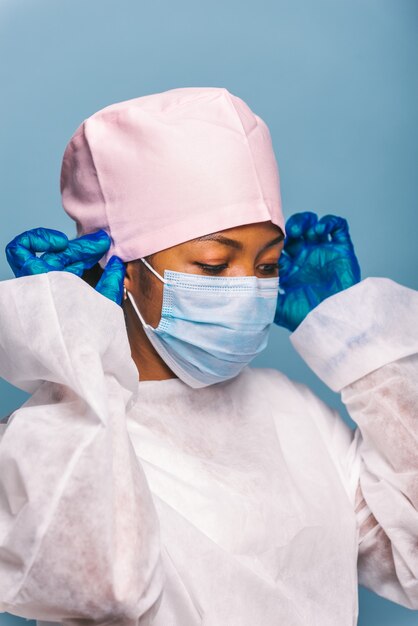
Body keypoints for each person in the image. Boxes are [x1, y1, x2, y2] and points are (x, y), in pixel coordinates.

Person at [0, 87, 417, 626]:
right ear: (120, 268)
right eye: (216, 266)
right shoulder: (51, 435)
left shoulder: (292, 412)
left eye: (267, 266)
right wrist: (72, 349)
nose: (247, 289)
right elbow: (104, 589)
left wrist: (363, 344)